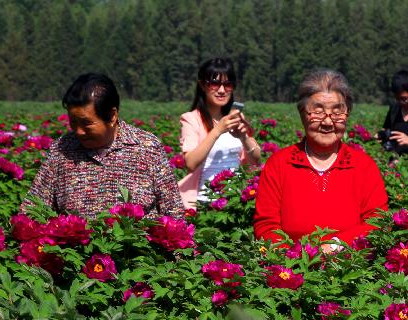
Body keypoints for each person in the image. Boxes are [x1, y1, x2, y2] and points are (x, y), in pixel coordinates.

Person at [254, 69, 388, 251]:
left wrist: (336, 246)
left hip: (350, 268)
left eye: (337, 112)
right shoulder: (279, 164)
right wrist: (293, 259)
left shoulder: (364, 166)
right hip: (290, 270)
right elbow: (266, 226)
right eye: (317, 112)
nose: (327, 122)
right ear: (302, 114)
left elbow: (377, 222)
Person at [23, 73, 183, 219]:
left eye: (86, 123)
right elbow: (32, 208)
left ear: (112, 116)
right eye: (73, 122)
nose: (79, 131)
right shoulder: (62, 149)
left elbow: (173, 211)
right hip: (75, 250)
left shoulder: (147, 147)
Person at [179, 58, 262, 209]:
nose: (222, 90)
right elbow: (190, 163)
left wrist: (244, 138)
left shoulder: (236, 118)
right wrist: (217, 130)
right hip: (204, 202)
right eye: (215, 83)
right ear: (202, 85)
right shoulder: (191, 119)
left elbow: (256, 161)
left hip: (235, 201)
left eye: (228, 84)